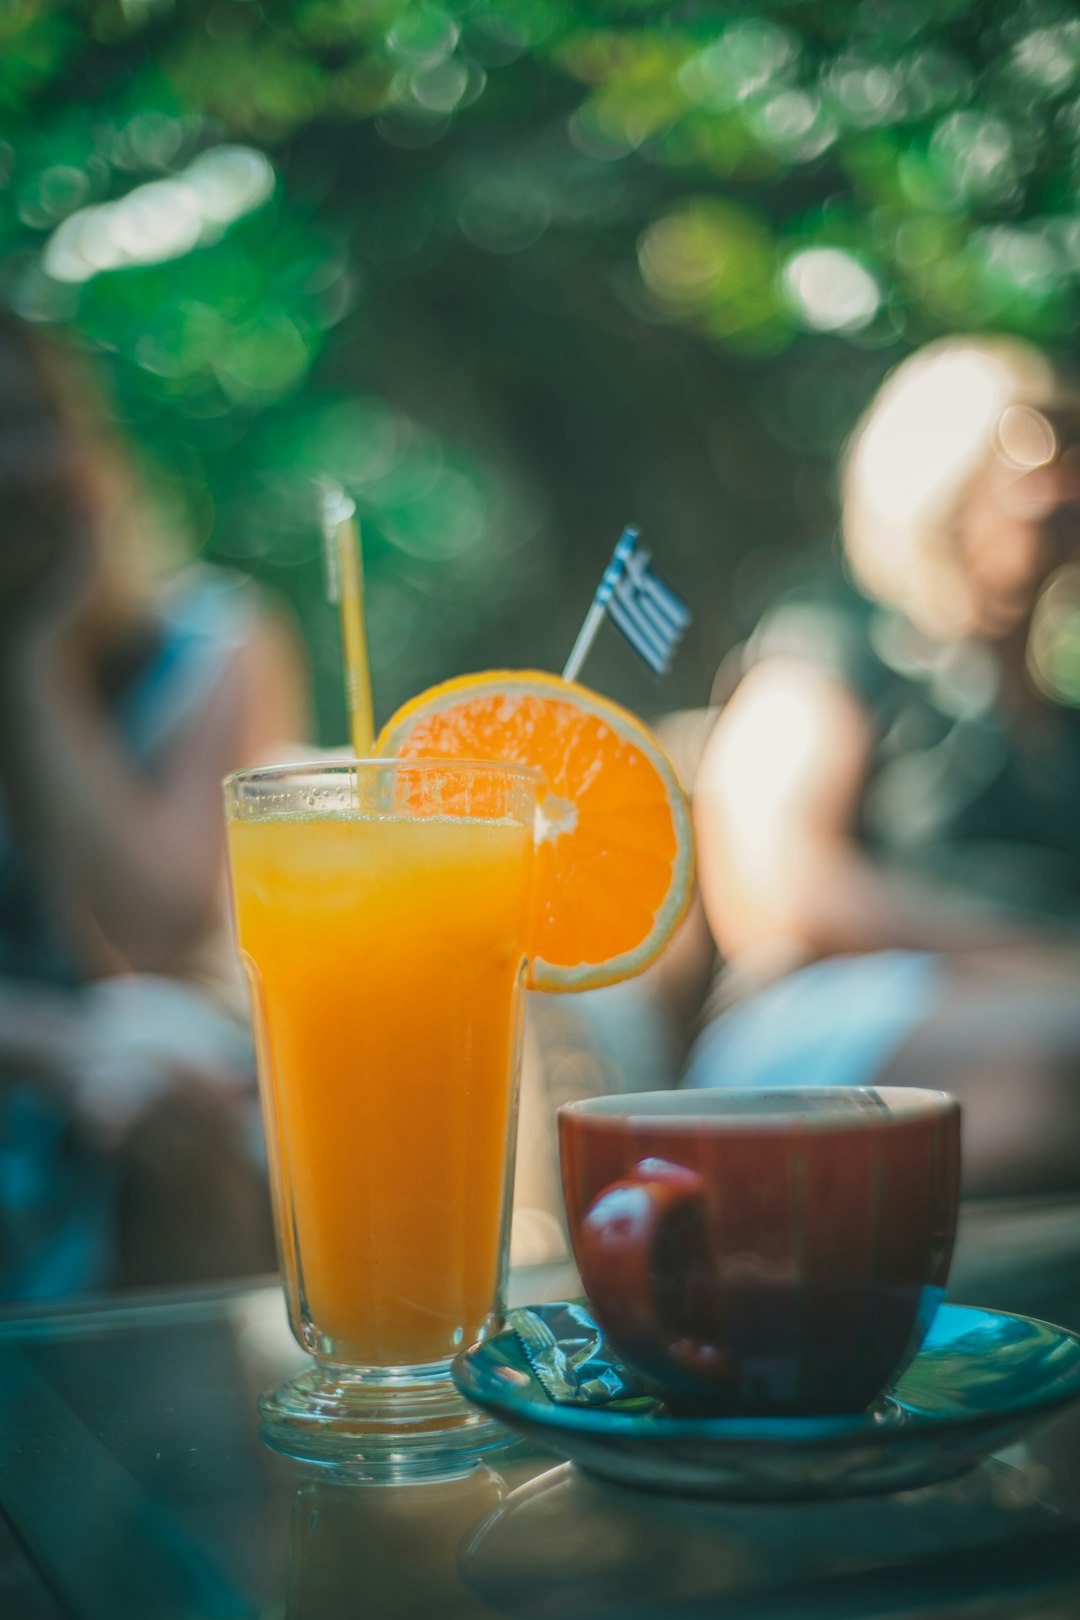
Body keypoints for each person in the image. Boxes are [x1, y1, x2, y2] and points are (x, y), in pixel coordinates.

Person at [688, 335, 1080, 1196]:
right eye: (1031, 440)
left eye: (1073, 440)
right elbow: (782, 892)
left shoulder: (1059, 717)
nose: (1061, 478)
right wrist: (1031, 961)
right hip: (825, 1031)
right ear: (937, 467)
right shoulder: (833, 642)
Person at [0, 314, 309, 1298]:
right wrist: (53, 1047)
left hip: (148, 1070)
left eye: (30, 421)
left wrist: (37, 666)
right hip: (42, 1055)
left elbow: (152, 939)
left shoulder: (212, 645)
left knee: (161, 1083)